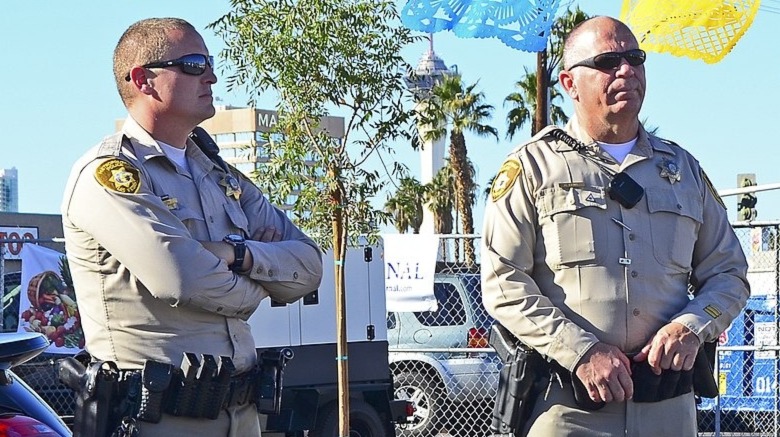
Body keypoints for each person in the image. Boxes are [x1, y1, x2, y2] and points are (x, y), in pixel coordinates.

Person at [481, 15, 750, 437]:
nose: (625, 70)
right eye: (608, 61)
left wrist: (692, 327)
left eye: (634, 58)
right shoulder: (534, 167)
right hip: (569, 411)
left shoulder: (682, 169)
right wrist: (582, 352)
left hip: (669, 412)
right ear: (569, 83)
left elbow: (729, 273)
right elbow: (503, 284)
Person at [61, 17, 323, 436]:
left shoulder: (221, 175)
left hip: (242, 415)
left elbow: (309, 267)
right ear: (143, 80)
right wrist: (261, 284)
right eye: (195, 64)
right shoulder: (110, 175)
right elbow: (181, 279)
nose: (212, 76)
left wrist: (234, 254)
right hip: (158, 419)